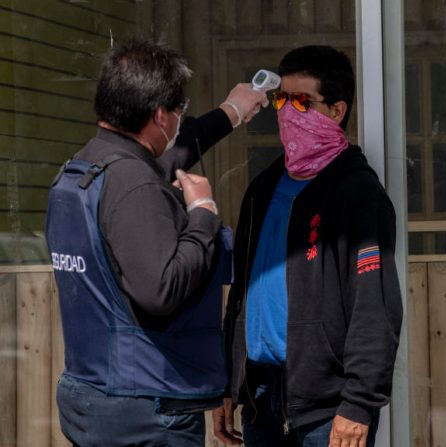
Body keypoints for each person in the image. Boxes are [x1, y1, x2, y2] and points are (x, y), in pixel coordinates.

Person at [45, 38, 268, 446]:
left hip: (94, 389)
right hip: (145, 410)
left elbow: (164, 157)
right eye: (180, 109)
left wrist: (231, 113)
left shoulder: (86, 170)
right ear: (160, 115)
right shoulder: (135, 188)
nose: (182, 118)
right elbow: (161, 290)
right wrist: (203, 214)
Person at [212, 45, 403, 447]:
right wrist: (229, 381)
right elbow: (242, 294)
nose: (286, 111)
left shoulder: (357, 193)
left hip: (327, 410)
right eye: (282, 99)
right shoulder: (263, 188)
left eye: (302, 101)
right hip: (261, 397)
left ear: (336, 111)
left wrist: (359, 403)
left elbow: (375, 308)